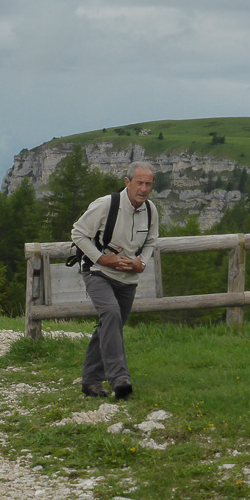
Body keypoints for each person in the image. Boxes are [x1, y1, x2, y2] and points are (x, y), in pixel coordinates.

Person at [70, 160, 159, 399]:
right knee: (110, 314)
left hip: (128, 279)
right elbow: (78, 233)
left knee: (110, 326)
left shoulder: (151, 210)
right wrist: (101, 259)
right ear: (127, 182)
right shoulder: (106, 205)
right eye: (139, 183)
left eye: (148, 184)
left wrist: (142, 263)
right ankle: (119, 378)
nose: (144, 188)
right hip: (98, 272)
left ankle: (90, 381)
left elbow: (151, 242)